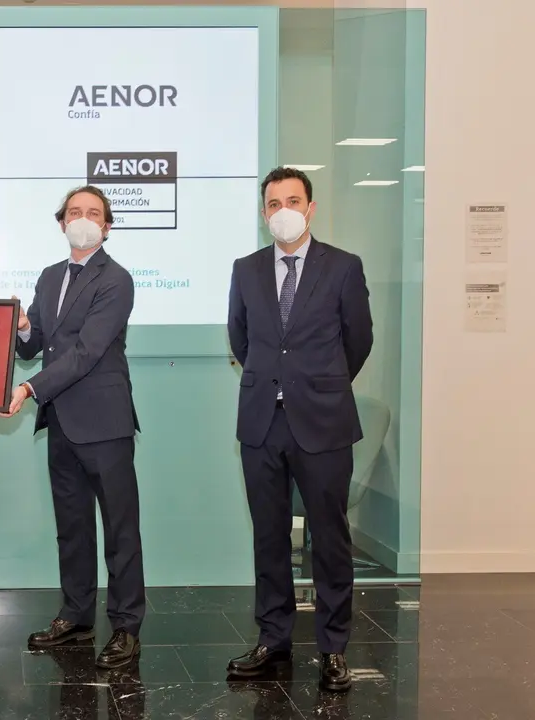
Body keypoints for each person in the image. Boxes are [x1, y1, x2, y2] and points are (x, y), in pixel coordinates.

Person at [226, 166, 373, 692]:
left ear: (311, 208)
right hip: (263, 422)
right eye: (273, 202)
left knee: (329, 538)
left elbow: (358, 340)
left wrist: (321, 385)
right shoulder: (245, 269)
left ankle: (334, 648)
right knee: (268, 537)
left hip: (325, 423)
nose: (282, 210)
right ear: (264, 212)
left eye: (292, 200)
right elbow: (239, 340)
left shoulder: (343, 267)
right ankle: (274, 638)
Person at [0, 185, 144, 669]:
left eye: (94, 213)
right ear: (62, 223)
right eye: (74, 212)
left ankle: (125, 626)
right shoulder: (48, 276)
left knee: (120, 530)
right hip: (61, 420)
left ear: (107, 226)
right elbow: (36, 342)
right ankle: (76, 615)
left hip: (104, 422)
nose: (83, 219)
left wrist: (26, 390)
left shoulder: (116, 279)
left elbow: (86, 352)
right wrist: (20, 327)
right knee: (73, 526)